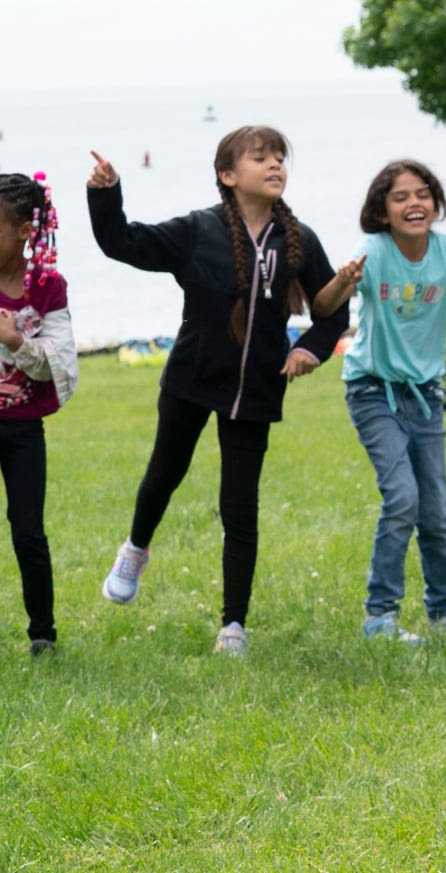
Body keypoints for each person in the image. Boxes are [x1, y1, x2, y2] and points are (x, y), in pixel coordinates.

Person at [87, 130, 348, 655]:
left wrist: (310, 351)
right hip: (191, 378)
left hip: (256, 392)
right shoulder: (196, 229)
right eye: (261, 158)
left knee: (240, 508)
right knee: (164, 473)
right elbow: (123, 243)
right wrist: (106, 192)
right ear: (229, 175)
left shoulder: (299, 240)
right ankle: (136, 548)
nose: (275, 165)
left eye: (280, 157)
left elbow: (331, 312)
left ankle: (234, 626)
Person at [317, 159, 446, 642]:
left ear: (435, 202)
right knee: (402, 498)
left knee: (436, 512)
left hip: (426, 396)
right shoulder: (373, 251)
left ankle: (443, 614)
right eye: (400, 196)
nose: (414, 203)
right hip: (373, 390)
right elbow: (324, 307)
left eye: (422, 193)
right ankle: (379, 617)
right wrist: (343, 280)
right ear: (382, 211)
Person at [0, 173, 74, 656]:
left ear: (26, 230)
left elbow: (61, 362)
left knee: (28, 530)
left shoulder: (47, 287)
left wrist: (16, 343)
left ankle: (42, 633)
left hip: (22, 429)